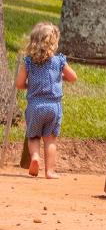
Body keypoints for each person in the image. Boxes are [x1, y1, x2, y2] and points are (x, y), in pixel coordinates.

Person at [15, 22, 77, 178]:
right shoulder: (59, 61)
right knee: (50, 140)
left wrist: (30, 85)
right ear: (53, 43)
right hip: (53, 107)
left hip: (35, 106)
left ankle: (35, 157)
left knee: (34, 136)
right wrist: (60, 77)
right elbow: (73, 77)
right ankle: (50, 171)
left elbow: (19, 83)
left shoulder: (28, 62)